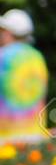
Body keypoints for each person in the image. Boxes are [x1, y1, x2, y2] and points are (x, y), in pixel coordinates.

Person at [0, 9, 48, 137]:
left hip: (6, 136)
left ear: (8, 32)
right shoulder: (37, 57)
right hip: (36, 133)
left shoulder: (2, 56)